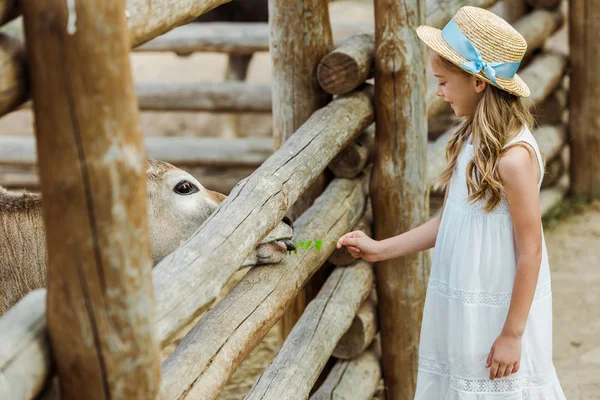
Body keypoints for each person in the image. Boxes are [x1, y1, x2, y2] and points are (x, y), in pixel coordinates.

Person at [336, 6, 567, 399]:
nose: (439, 92)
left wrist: (512, 334)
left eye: (443, 82)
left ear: (478, 83)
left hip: (496, 306)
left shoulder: (513, 159)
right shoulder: (471, 141)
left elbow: (531, 250)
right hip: (460, 301)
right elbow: (452, 221)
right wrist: (380, 249)